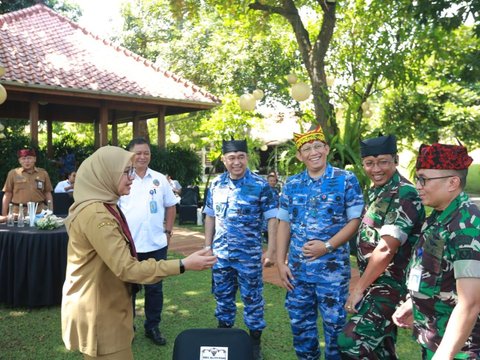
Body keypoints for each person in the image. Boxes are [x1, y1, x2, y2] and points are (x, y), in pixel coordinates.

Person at [61, 145, 217, 360]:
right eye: (126, 172)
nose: (131, 177)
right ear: (106, 174)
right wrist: (183, 264)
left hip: (104, 305)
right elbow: (128, 268)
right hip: (100, 312)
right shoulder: (98, 215)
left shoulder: (102, 204)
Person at [276, 126, 364, 360]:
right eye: (306, 149)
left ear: (326, 149)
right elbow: (283, 223)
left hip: (331, 272)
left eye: (317, 146)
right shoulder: (292, 184)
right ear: (299, 156)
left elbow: (355, 220)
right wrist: (280, 262)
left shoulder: (345, 179)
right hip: (298, 271)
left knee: (335, 328)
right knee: (301, 327)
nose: (313, 152)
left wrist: (327, 246)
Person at [338, 135, 425, 359]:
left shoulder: (404, 193)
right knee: (380, 348)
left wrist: (358, 288)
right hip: (375, 282)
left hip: (390, 285)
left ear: (395, 160)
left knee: (351, 341)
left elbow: (387, 249)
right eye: (369, 163)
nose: (376, 169)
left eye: (383, 161)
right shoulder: (378, 190)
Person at [392, 142, 480, 360]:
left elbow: (470, 303)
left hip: (461, 349)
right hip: (436, 335)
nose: (418, 185)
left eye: (424, 179)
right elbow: (437, 271)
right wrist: (413, 302)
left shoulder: (467, 225)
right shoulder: (440, 216)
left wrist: (445, 354)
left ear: (452, 182)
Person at [203, 139, 278, 360]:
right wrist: (207, 246)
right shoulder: (216, 184)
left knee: (253, 300)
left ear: (247, 158)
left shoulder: (260, 185)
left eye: (241, 157)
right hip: (221, 256)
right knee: (223, 298)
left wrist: (271, 251)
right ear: (224, 160)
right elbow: (210, 215)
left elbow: (272, 219)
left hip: (248, 257)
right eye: (232, 158)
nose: (237, 162)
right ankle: (224, 341)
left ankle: (254, 344)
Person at [118, 138, 178, 346]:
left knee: (155, 289)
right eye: (138, 153)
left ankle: (152, 326)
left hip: (155, 244)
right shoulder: (121, 178)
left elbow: (171, 206)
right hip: (128, 245)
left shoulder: (160, 179)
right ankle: (128, 327)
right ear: (129, 155)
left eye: (146, 153)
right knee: (128, 289)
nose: (142, 157)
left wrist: (168, 231)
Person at [1, 148, 53, 219]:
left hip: (39, 212)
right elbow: (8, 194)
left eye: (29, 158)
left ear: (35, 159)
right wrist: (4, 214)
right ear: (19, 161)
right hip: (18, 212)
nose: (26, 161)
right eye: (23, 159)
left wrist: (51, 211)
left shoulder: (43, 173)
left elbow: (47, 193)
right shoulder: (13, 173)